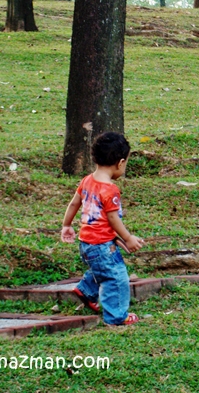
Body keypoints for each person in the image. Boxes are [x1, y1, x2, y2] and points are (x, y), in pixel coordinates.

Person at [61, 132, 144, 325]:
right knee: (116, 276)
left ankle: (86, 290)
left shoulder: (87, 180)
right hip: (101, 245)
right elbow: (113, 219)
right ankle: (116, 316)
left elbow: (74, 204)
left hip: (86, 243)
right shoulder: (110, 190)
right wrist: (128, 237)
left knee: (101, 267)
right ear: (120, 162)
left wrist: (66, 225)